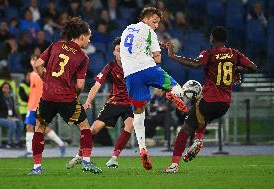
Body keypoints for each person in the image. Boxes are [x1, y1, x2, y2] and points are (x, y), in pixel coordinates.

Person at [163, 26, 257, 173]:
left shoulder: (209, 54)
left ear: (212, 38)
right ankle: (198, 140)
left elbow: (195, 64)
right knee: (202, 116)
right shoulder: (234, 54)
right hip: (224, 104)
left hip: (210, 100)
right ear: (225, 40)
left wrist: (173, 56)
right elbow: (253, 68)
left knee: (185, 129)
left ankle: (174, 165)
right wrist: (237, 70)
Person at [29, 16, 102, 175]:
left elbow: (38, 65)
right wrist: (74, 95)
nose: (89, 40)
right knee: (85, 128)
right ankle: (86, 163)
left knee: (40, 128)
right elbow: (81, 85)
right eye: (89, 36)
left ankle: (37, 167)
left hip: (47, 97)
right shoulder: (83, 57)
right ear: (82, 36)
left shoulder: (55, 45)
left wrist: (46, 80)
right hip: (67, 98)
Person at [120, 7, 187, 171]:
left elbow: (128, 52)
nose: (156, 25)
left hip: (130, 75)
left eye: (158, 22)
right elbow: (157, 59)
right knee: (177, 87)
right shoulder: (150, 32)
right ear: (146, 19)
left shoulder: (127, 30)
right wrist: (154, 51)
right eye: (154, 21)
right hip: (148, 69)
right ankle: (171, 94)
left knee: (138, 110)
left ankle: (142, 148)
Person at [66, 37, 133, 169]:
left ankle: (114, 158)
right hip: (114, 102)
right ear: (114, 53)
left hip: (129, 104)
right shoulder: (110, 67)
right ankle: (80, 155)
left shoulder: (133, 66)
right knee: (94, 129)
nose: (121, 53)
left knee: (129, 126)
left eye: (123, 50)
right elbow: (97, 85)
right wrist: (88, 101)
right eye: (118, 50)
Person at [22, 55, 66, 158]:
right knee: (29, 126)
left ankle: (61, 144)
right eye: (32, 59)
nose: (34, 62)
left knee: (42, 128)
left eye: (35, 60)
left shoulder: (45, 73)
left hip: (41, 105)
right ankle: (29, 151)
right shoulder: (32, 74)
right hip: (32, 105)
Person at [0, 82, 24, 148]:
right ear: (2, 89)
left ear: (10, 89)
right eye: (5, 88)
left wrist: (15, 116)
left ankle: (17, 142)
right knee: (12, 123)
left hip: (10, 118)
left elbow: (12, 110)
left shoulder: (11, 98)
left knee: (20, 123)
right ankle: (9, 143)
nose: (6, 89)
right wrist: (7, 117)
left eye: (8, 88)